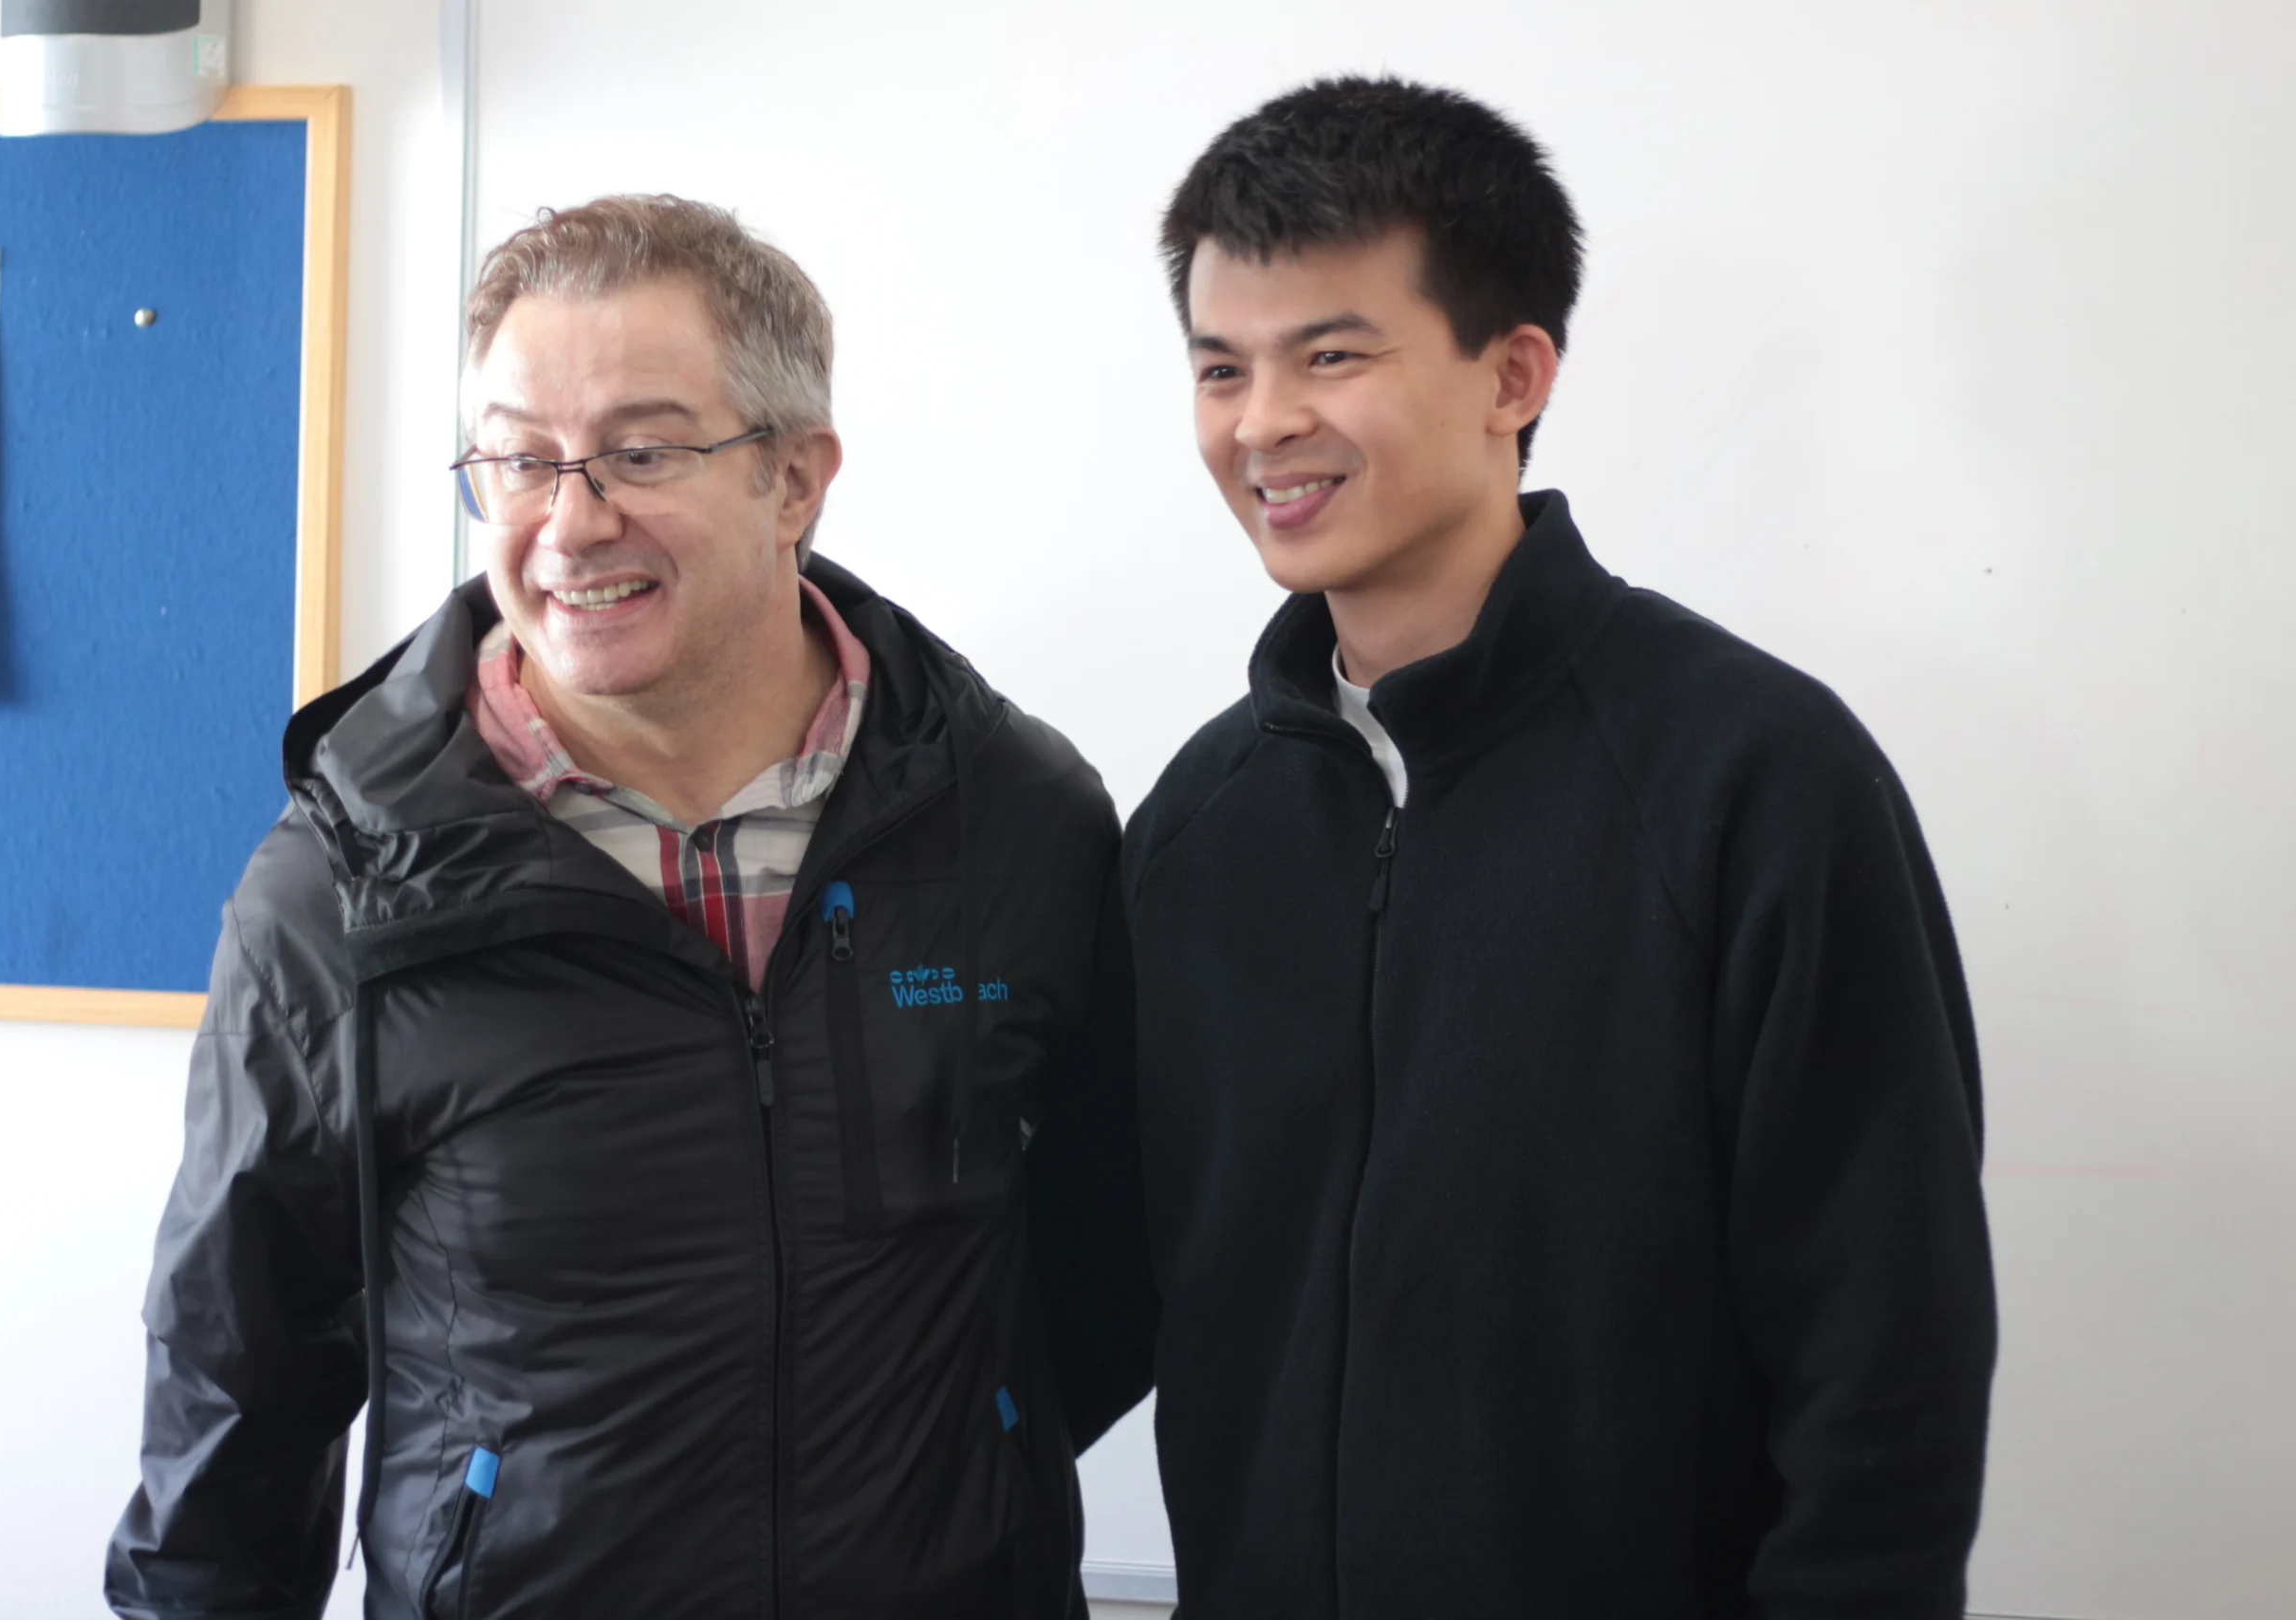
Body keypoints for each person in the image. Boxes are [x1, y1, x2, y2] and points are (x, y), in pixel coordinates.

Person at [104, 194, 1148, 1619]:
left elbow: (1108, 1262)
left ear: (795, 479)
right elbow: (236, 1380)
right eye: (519, 459)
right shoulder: (345, 883)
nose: (571, 521)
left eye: (641, 453)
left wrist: (970, 1477)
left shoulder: (1014, 815)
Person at [1120, 77, 1998, 1616]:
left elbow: (1887, 1367)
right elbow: (1104, 1285)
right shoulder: (1197, 825)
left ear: (1512, 374)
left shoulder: (1758, 780)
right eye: (1220, 367)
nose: (1261, 423)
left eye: (1332, 355)